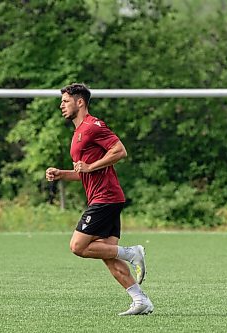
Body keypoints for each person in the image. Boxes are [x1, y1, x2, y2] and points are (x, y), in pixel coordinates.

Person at [45, 83, 154, 316]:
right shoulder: (77, 134)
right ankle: (140, 300)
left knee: (78, 246)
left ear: (80, 101)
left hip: (106, 197)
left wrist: (90, 165)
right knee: (108, 255)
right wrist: (61, 174)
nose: (61, 105)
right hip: (105, 197)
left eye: (65, 101)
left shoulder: (93, 126)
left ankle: (132, 252)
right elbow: (84, 172)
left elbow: (120, 151)